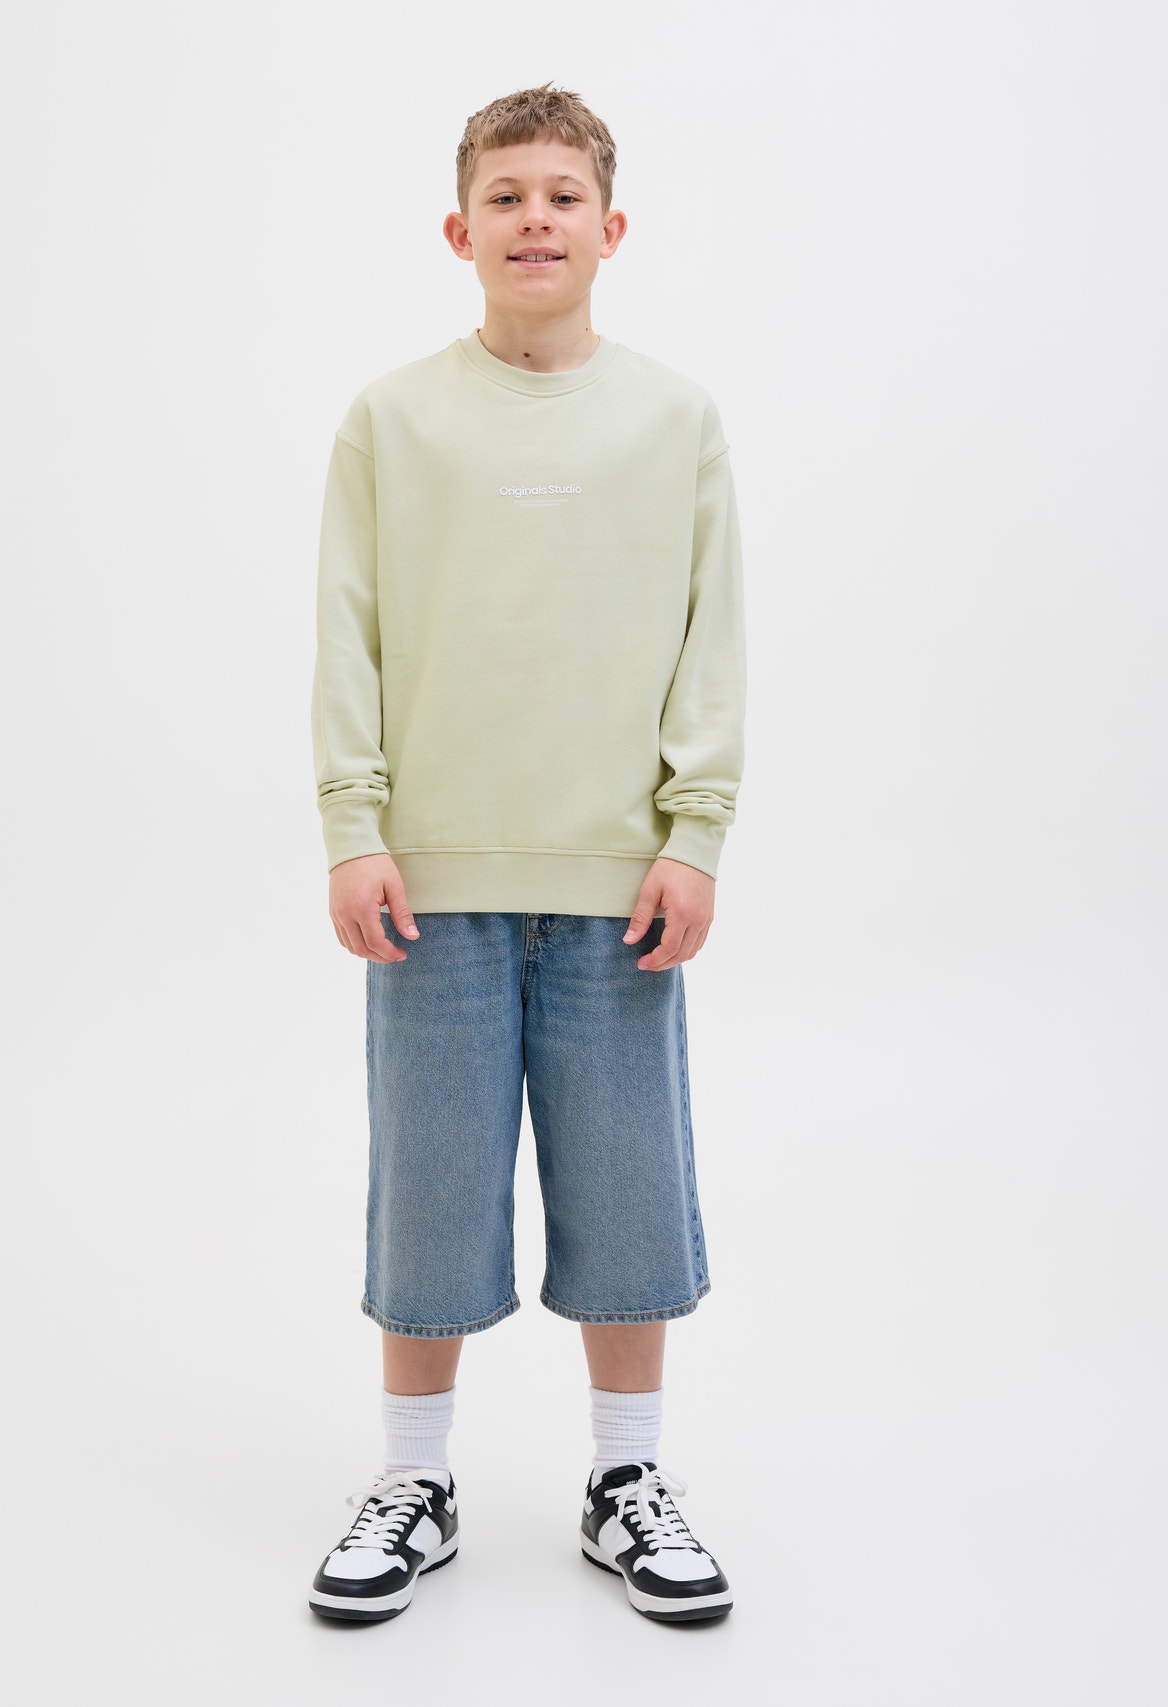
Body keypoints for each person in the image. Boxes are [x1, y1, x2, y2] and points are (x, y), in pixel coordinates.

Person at [306, 81, 746, 1625]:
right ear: (459, 230)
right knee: (429, 1189)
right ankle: (414, 1481)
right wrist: (354, 825)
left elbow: (711, 642)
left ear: (613, 229)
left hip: (619, 883)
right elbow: (348, 634)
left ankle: (627, 1477)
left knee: (628, 1186)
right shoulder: (393, 419)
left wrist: (695, 834)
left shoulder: (674, 420)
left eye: (564, 196)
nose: (535, 220)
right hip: (432, 879)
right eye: (507, 197)